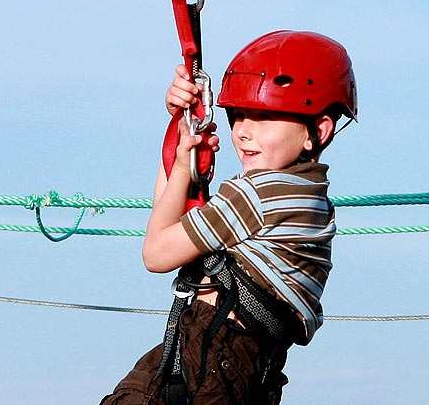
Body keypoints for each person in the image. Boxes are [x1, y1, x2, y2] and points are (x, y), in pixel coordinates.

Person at [103, 30, 358, 405]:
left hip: (211, 357)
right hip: (244, 366)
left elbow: (158, 252)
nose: (244, 133)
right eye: (238, 116)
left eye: (266, 118)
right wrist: (180, 132)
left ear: (317, 131)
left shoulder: (258, 196)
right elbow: (172, 224)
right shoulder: (307, 198)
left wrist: (182, 168)